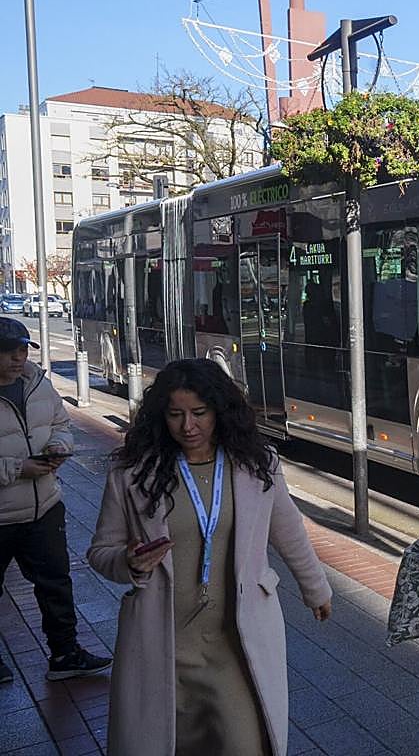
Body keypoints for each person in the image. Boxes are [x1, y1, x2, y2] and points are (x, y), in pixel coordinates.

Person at [88, 358, 333, 755]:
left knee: (245, 745)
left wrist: (316, 588)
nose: (188, 426)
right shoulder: (132, 474)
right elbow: (100, 552)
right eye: (175, 415)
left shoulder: (257, 466)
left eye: (199, 413)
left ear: (220, 411)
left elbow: (288, 530)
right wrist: (128, 561)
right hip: (162, 644)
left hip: (236, 643)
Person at [0, 317, 112, 685]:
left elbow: (61, 424)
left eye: (22, 350)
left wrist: (60, 446)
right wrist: (19, 468)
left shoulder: (38, 384)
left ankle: (65, 654)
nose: (18, 359)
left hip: (45, 506)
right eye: (9, 352)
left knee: (56, 584)